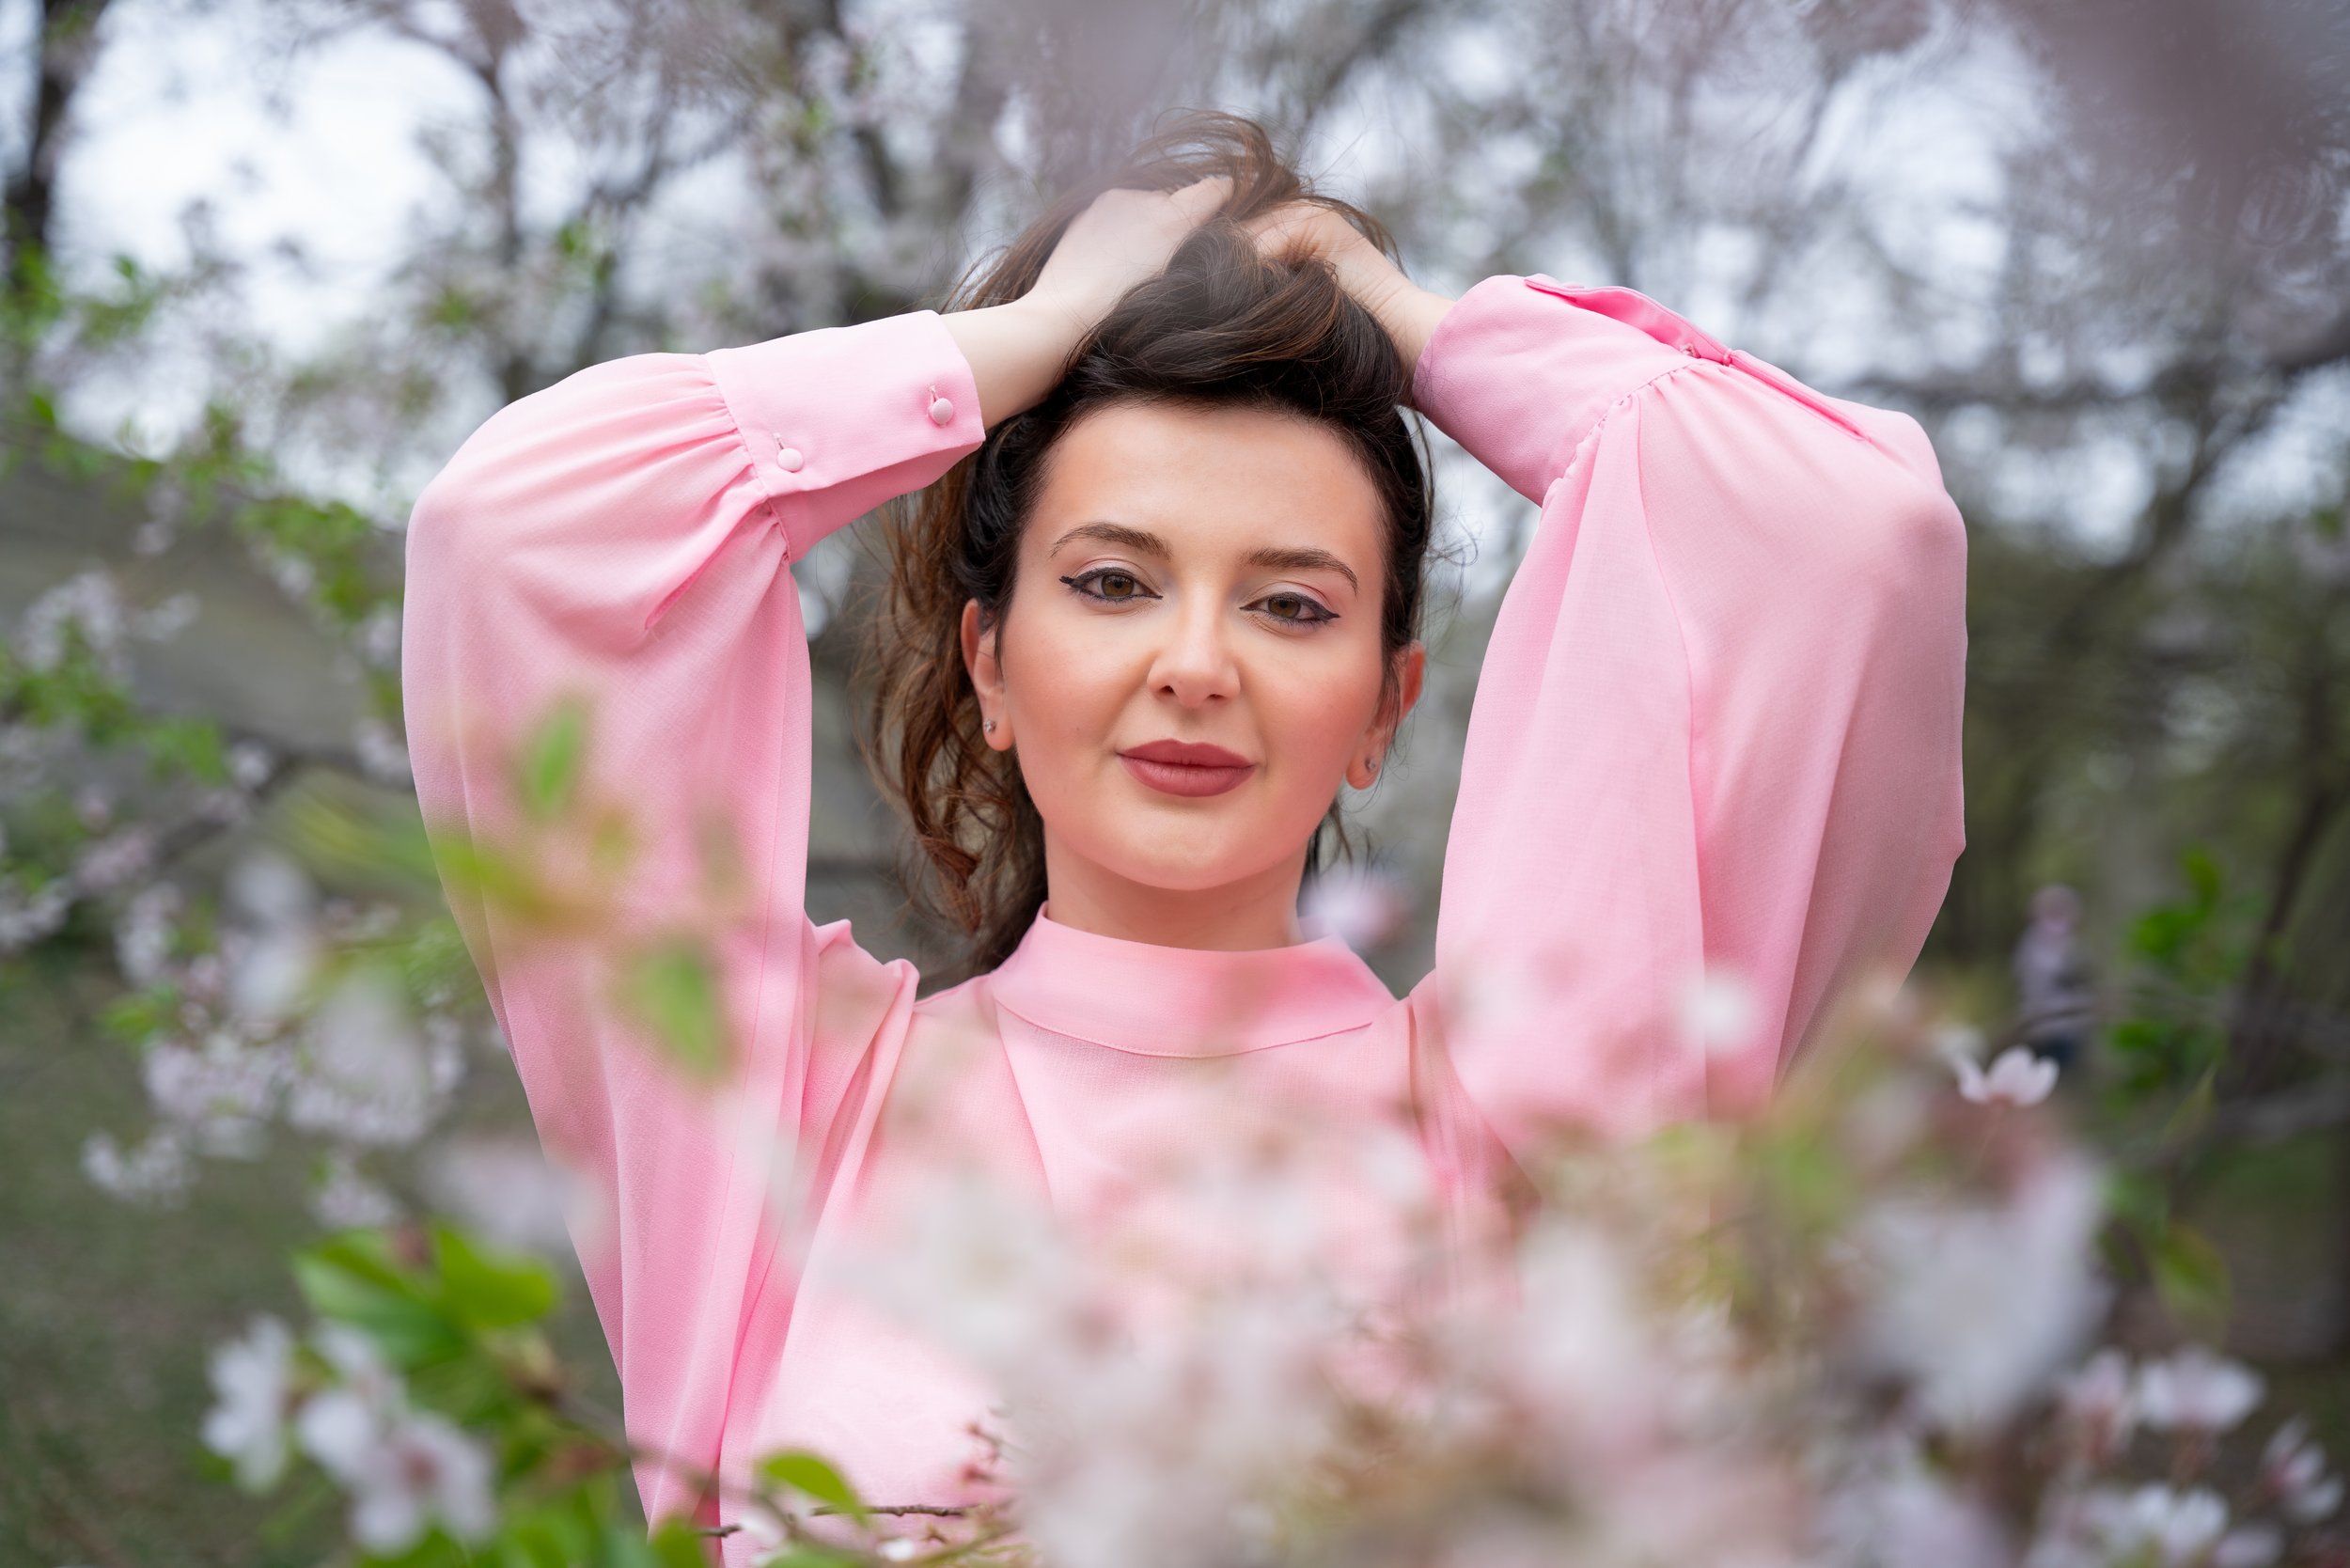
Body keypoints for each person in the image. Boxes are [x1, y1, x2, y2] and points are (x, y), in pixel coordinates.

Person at [400, 112, 1966, 1545]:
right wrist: (1005, 350)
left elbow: (1851, 540)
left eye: (1292, 603)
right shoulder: (776, 1112)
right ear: (991, 666)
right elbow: (518, 533)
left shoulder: (1531, 1139)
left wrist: (1427, 335)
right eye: (1110, 580)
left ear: (1382, 707)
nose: (1196, 663)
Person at [2013, 884, 2096, 1072]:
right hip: (2042, 1021)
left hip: (2070, 1023)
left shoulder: (2073, 942)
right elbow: (2033, 975)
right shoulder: (2031, 942)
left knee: (2067, 1068)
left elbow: (2083, 972)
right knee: (2045, 1068)